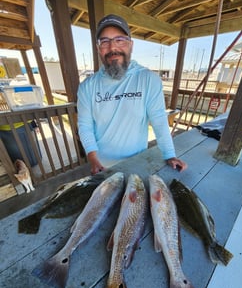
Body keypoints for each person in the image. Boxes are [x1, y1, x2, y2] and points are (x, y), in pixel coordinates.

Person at [77, 14, 187, 175]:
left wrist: (170, 155)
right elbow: (85, 126)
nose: (112, 48)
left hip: (137, 165)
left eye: (119, 40)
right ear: (98, 48)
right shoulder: (87, 87)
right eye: (105, 41)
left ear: (131, 45)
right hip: (102, 167)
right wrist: (93, 159)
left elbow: (159, 120)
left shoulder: (148, 79)